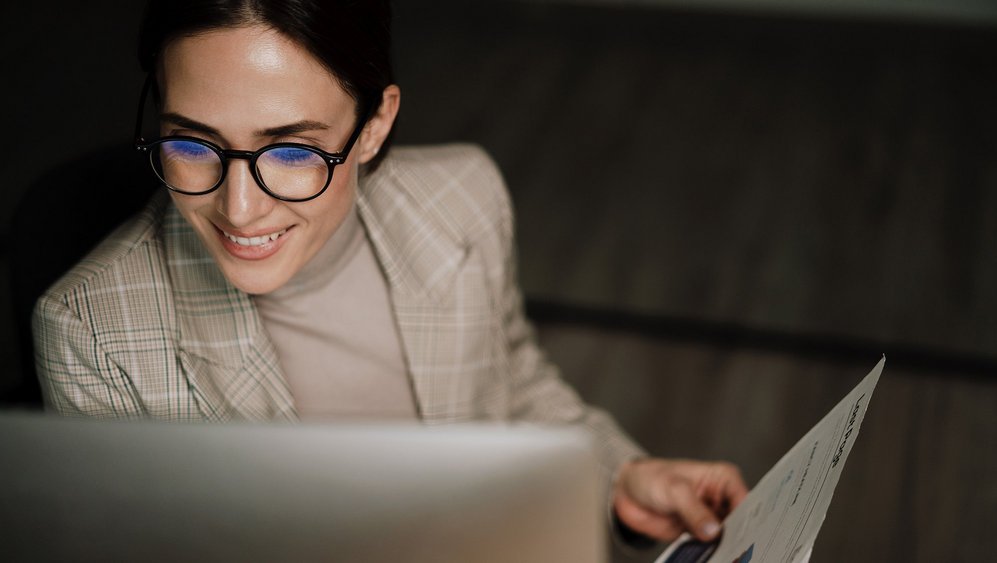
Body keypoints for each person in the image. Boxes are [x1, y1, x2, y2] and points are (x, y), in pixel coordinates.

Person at [33, 0, 746, 547]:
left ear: (374, 125)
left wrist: (618, 476)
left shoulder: (465, 197)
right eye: (191, 141)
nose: (239, 209)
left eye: (290, 151)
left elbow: (512, 382)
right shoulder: (92, 332)